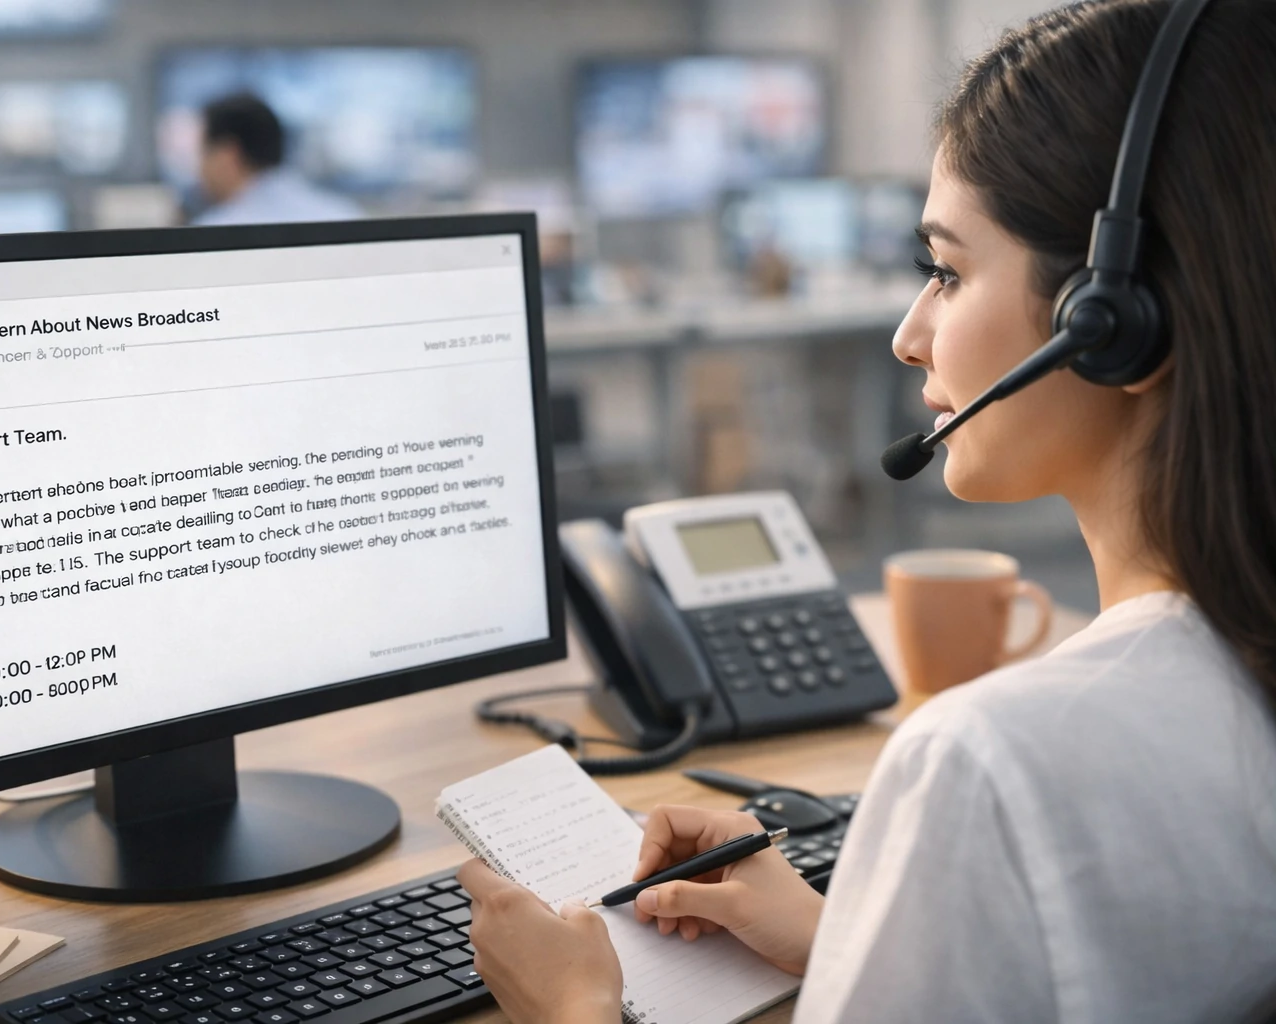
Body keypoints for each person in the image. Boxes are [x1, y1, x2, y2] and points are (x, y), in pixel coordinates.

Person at [458, 1, 1276, 1021]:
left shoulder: (992, 759)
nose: (909, 333)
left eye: (947, 270)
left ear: (1112, 323)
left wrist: (571, 1005)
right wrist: (840, 938)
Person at [191, 93, 362, 227]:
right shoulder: (345, 214)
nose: (199, 168)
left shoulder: (214, 233)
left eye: (203, 153)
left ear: (228, 154)